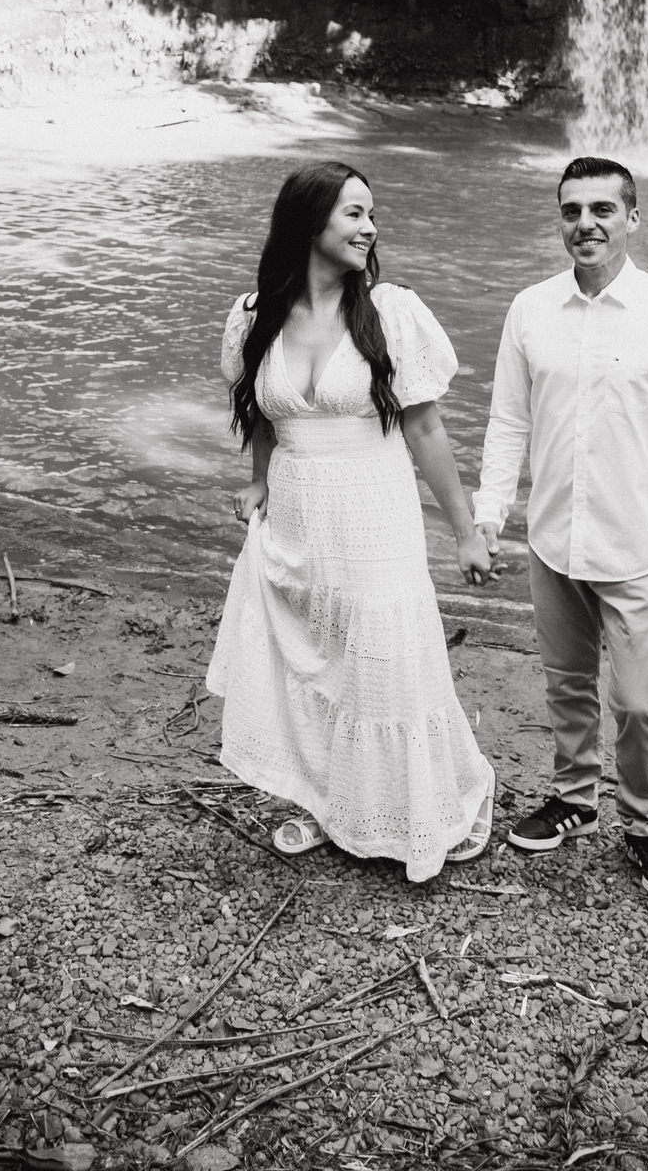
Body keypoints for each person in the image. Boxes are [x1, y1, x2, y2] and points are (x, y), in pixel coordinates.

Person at [208, 159, 497, 883]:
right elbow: (263, 415)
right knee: (310, 657)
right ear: (310, 222)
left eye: (372, 214)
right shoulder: (253, 315)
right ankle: (320, 799)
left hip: (375, 512)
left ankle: (437, 805)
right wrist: (257, 480)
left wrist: (465, 531)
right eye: (354, 213)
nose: (370, 228)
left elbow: (425, 429)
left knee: (385, 664)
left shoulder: (390, 312)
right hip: (297, 512)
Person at [473, 156, 648, 900]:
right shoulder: (529, 310)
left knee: (643, 703)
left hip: (637, 546)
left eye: (602, 210)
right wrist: (489, 515)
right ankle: (575, 799)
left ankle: (646, 826)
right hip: (553, 539)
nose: (585, 224)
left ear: (632, 219)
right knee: (567, 684)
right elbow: (508, 422)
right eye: (571, 211)